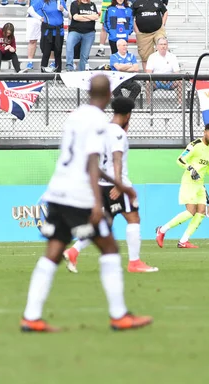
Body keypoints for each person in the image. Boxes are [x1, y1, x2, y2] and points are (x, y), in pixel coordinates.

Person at [20, 75, 153, 333]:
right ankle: (119, 315)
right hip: (78, 196)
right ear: (107, 95)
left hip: (57, 191)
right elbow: (92, 163)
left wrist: (120, 185)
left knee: (53, 253)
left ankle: (31, 316)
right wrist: (95, 202)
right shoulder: (96, 121)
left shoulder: (75, 115)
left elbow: (81, 158)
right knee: (110, 249)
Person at [63, 96, 158, 274]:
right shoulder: (117, 133)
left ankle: (73, 251)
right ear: (128, 115)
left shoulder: (103, 130)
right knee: (133, 218)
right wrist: (119, 184)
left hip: (101, 183)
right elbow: (117, 159)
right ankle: (134, 262)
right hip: (116, 183)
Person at [156, 123, 209, 249]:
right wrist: (190, 168)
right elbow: (180, 159)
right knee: (190, 212)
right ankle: (162, 230)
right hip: (189, 182)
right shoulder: (195, 145)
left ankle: (183, 241)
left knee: (201, 212)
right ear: (204, 132)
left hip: (200, 184)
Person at [28, 0, 69, 72]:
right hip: (48, 32)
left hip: (59, 31)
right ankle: (43, 73)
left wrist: (63, 10)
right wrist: (39, 18)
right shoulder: (43, 2)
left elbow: (67, 15)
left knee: (58, 53)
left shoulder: (61, 1)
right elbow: (30, 10)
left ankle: (58, 73)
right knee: (46, 53)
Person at [145, 36, 182, 107]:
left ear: (167, 46)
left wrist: (170, 79)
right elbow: (149, 72)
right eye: (161, 44)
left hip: (170, 81)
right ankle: (149, 105)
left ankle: (180, 105)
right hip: (156, 81)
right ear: (157, 46)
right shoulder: (152, 57)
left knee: (180, 82)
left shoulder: (172, 56)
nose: (163, 46)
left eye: (165, 44)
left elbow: (177, 72)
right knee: (148, 83)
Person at [132, 0, 168, 71]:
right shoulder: (136, 3)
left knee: (162, 45)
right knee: (145, 57)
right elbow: (131, 17)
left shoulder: (157, 1)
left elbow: (165, 12)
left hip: (158, 31)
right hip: (143, 34)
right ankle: (148, 79)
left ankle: (163, 74)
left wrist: (163, 25)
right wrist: (137, 31)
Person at [65, 0, 98, 71]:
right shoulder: (75, 3)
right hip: (75, 31)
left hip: (89, 33)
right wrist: (89, 17)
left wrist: (82, 16)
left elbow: (96, 17)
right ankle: (69, 66)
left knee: (84, 55)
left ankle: (82, 70)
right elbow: (75, 17)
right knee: (69, 44)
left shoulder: (92, 4)